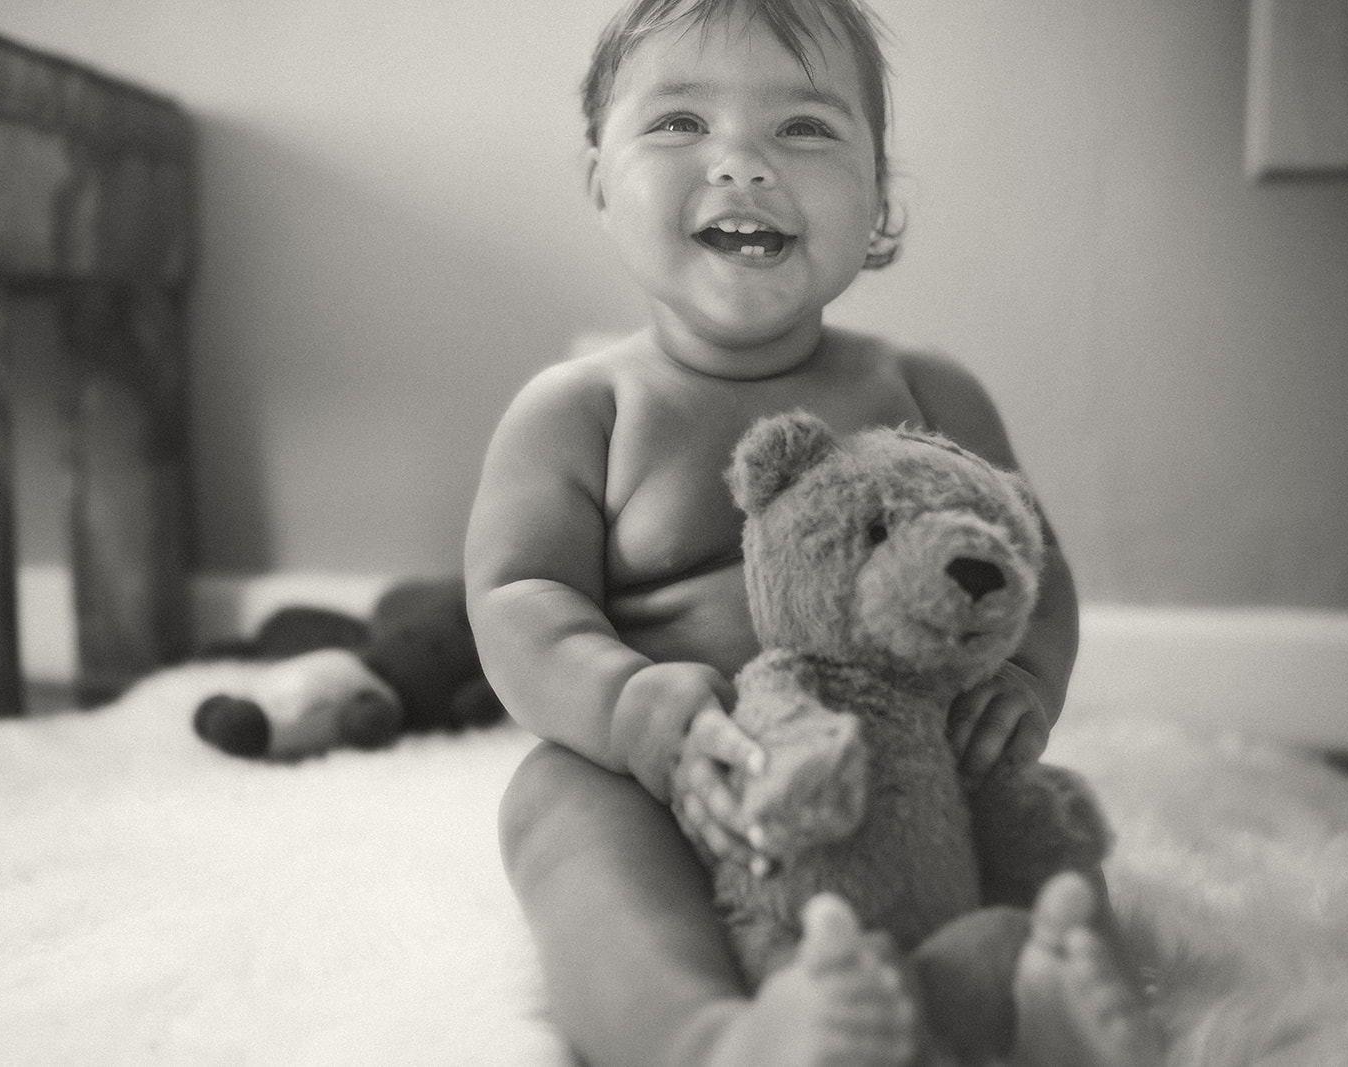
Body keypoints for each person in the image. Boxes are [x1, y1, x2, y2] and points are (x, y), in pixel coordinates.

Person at [464, 1, 1161, 1063]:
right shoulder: (579, 409)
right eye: (678, 124)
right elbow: (517, 597)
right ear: (599, 182)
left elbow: (1032, 561)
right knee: (554, 804)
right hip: (681, 772)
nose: (740, 164)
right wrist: (624, 705)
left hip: (907, 759)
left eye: (802, 129)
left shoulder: (920, 386)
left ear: (877, 196)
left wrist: (1022, 680)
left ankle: (1044, 987)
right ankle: (707, 1034)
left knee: (1028, 811)